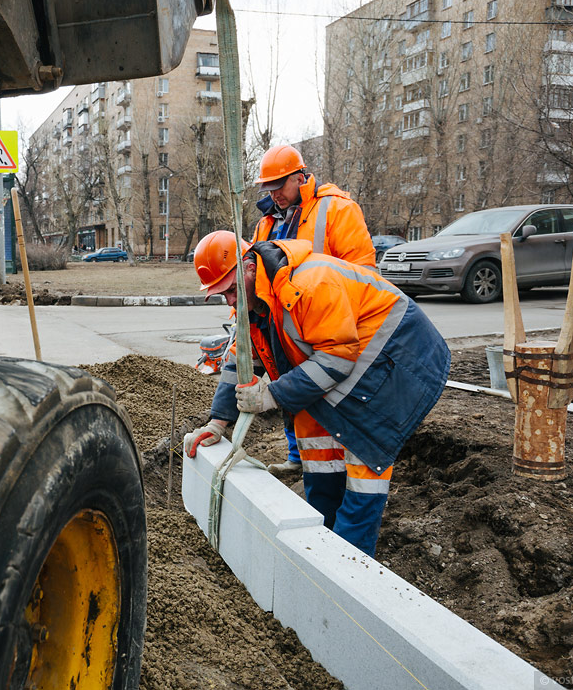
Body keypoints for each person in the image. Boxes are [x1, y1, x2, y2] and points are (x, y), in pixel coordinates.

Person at [186, 231, 450, 557]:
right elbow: (241, 363)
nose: (227, 301)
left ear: (248, 268)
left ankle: (350, 562)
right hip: (348, 356)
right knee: (318, 449)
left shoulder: (310, 284)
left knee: (364, 452)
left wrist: (272, 395)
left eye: (227, 291)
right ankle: (324, 540)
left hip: (398, 357)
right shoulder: (253, 300)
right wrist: (218, 423)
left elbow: (337, 358)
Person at [248, 145, 377, 472]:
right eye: (269, 188)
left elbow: (364, 275)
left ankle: (341, 468)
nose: (274, 194)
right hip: (286, 324)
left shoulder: (337, 209)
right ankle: (299, 458)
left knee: (330, 399)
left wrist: (348, 328)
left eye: (279, 186)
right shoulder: (266, 222)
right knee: (292, 391)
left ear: (300, 177)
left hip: (328, 324)